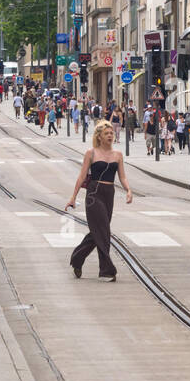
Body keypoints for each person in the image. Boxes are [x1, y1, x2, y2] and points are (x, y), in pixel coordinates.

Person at [66, 120, 133, 281]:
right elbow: (82, 176)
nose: (110, 136)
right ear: (99, 137)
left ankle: (77, 258)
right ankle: (106, 270)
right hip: (94, 193)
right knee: (104, 231)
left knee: (99, 231)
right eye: (106, 133)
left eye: (111, 133)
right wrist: (73, 197)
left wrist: (128, 190)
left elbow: (122, 176)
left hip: (109, 193)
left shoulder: (118, 155)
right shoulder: (91, 153)